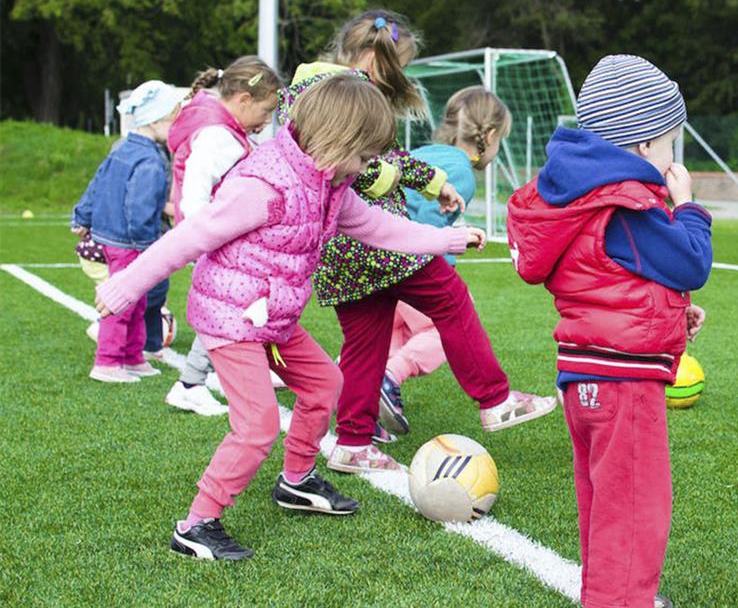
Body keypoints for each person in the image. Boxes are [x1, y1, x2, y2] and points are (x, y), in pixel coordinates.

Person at [94, 74, 486, 561]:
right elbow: (190, 237)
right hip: (232, 318)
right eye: (365, 157)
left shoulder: (330, 183)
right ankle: (196, 525)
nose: (368, 168)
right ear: (337, 141)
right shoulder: (263, 185)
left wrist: (446, 239)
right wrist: (125, 286)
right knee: (257, 425)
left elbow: (377, 227)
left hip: (273, 318)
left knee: (326, 384)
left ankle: (296, 481)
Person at [278, 10, 555, 475]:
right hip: (375, 240)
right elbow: (358, 166)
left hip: (339, 251)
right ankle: (495, 399)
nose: (397, 79)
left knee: (366, 340)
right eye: (396, 66)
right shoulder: (340, 92)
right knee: (450, 298)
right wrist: (396, 184)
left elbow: (385, 155)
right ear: (371, 57)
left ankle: (352, 441)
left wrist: (434, 183)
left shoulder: (309, 88)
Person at [506, 55, 713, 608]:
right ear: (643, 145)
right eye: (669, 141)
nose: (672, 156)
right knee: (635, 513)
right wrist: (687, 205)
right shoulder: (626, 205)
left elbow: (610, 278)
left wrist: (673, 313)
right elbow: (691, 261)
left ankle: (610, 596)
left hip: (585, 376)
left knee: (604, 507)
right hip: (623, 385)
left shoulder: (580, 196)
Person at [376, 86, 511, 437]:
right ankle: (389, 378)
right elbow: (427, 219)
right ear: (490, 136)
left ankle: (353, 385)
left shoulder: (425, 153)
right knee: (443, 326)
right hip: (407, 261)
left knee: (390, 332)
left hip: (375, 257)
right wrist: (441, 267)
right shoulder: (462, 172)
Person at [163, 55, 283, 417]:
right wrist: (208, 236)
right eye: (265, 111)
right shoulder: (218, 136)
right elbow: (196, 193)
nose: (266, 123)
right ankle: (190, 383)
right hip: (217, 240)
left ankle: (207, 377)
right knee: (229, 309)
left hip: (221, 238)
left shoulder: (225, 129)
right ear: (244, 100)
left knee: (242, 305)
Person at [72, 80, 188, 383]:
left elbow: (96, 182)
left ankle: (133, 357)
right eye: (174, 119)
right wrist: (147, 246)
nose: (176, 127)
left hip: (116, 238)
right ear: (157, 120)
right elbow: (140, 207)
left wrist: (82, 214)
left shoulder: (122, 147)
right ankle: (108, 361)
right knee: (124, 302)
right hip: (131, 242)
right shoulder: (150, 159)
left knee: (137, 300)